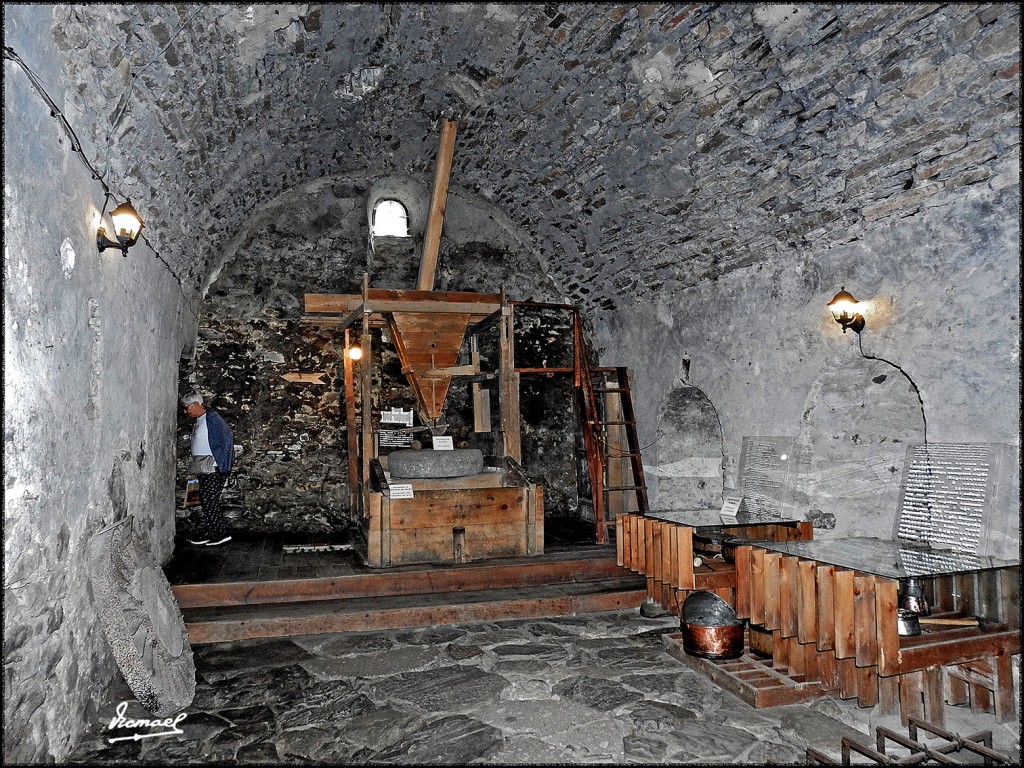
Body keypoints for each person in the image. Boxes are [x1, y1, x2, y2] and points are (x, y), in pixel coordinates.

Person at [180, 392, 234, 546]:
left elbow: (227, 437)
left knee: (209, 499)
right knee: (206, 499)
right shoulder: (201, 419)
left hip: (212, 466)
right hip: (204, 466)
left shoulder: (212, 418)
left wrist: (221, 460)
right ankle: (212, 532)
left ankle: (220, 534)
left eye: (187, 407)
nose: (186, 411)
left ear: (196, 404)